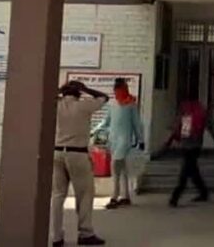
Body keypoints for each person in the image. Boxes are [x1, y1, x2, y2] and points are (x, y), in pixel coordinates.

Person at [51, 80, 108, 247]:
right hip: (78, 154)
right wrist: (86, 89)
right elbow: (104, 97)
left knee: (58, 195)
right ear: (79, 93)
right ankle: (85, 233)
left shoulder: (56, 104)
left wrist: (61, 90)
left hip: (57, 152)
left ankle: (56, 237)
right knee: (84, 195)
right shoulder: (83, 106)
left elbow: (45, 96)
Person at [92, 78, 144, 210]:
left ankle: (114, 197)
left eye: (121, 89)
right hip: (113, 140)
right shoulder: (113, 104)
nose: (118, 92)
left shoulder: (131, 105)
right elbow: (106, 121)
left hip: (125, 140)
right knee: (123, 168)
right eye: (117, 89)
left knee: (114, 166)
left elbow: (136, 123)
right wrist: (94, 130)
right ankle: (126, 196)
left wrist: (141, 139)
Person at [165, 99, 214, 207]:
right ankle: (203, 192)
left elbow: (178, 129)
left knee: (185, 172)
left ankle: (175, 197)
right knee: (193, 171)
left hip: (186, 147)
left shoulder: (186, 112)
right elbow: (209, 126)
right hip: (196, 147)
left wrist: (169, 142)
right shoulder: (200, 111)